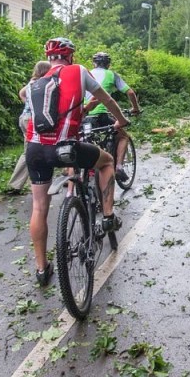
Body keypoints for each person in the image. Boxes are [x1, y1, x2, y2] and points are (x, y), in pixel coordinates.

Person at [25, 37, 130, 287]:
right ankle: (107, 215)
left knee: (39, 207)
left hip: (35, 150)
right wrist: (122, 120)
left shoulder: (35, 83)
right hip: (65, 148)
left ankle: (41, 269)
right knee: (105, 163)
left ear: (48, 58)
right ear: (70, 56)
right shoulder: (78, 71)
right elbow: (107, 100)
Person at [83, 52, 141, 177]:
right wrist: (135, 108)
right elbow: (130, 93)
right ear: (108, 64)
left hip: (83, 115)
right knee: (123, 136)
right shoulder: (111, 75)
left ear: (94, 63)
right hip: (100, 116)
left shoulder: (86, 73)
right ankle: (119, 167)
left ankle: (70, 173)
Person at [6, 60, 52, 194]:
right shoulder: (42, 83)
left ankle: (27, 181)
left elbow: (21, 93)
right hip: (31, 120)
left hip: (24, 117)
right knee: (29, 151)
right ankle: (15, 185)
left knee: (33, 149)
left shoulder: (32, 82)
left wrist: (29, 103)